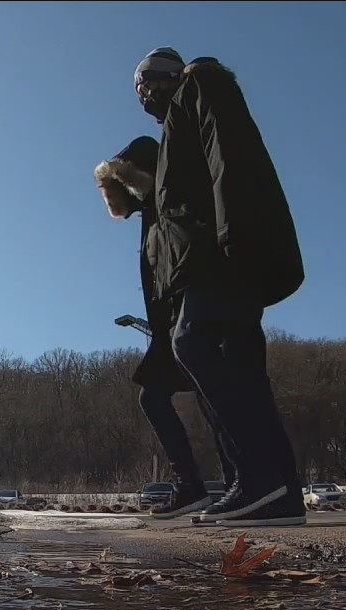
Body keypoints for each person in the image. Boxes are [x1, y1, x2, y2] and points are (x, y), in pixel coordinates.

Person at [130, 47, 306, 526]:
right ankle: (270, 490)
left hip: (225, 254)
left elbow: (230, 154)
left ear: (167, 74)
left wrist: (236, 238)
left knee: (197, 343)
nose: (142, 93)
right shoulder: (169, 134)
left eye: (145, 81)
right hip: (207, 261)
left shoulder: (200, 81)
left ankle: (262, 481)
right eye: (136, 89)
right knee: (238, 365)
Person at [95, 135, 236, 520]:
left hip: (192, 312)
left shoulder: (176, 203)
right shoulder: (150, 218)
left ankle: (234, 479)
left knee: (210, 395)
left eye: (128, 184)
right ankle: (191, 485)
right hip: (167, 324)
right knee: (155, 397)